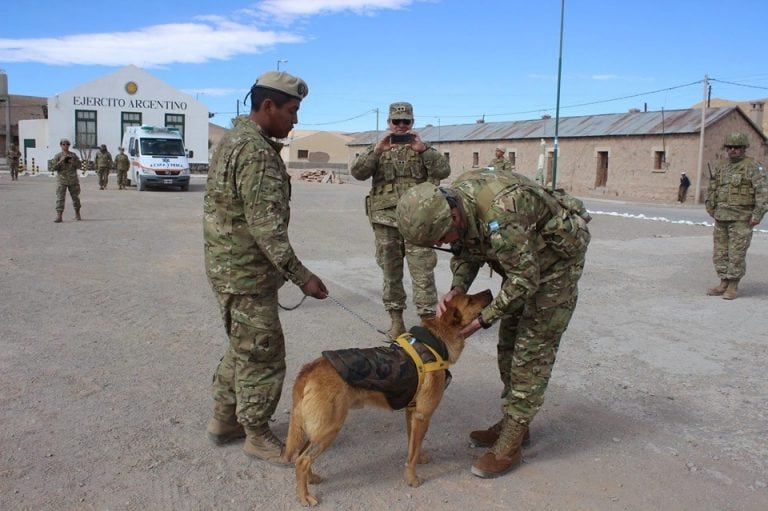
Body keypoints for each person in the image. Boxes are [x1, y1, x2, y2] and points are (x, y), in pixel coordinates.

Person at [396, 169, 591, 479]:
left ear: (454, 218)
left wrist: (483, 319)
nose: (445, 244)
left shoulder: (502, 213)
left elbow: (525, 280)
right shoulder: (456, 203)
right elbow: (467, 251)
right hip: (521, 266)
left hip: (554, 270)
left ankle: (510, 444)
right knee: (508, 345)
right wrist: (458, 287)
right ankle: (515, 424)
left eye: (443, 238)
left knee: (530, 353)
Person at [203, 70, 328, 464]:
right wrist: (303, 277)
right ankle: (256, 434)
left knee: (242, 346)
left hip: (229, 268)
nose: (295, 120)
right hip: (247, 273)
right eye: (292, 111)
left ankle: (224, 420)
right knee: (263, 354)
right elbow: (267, 231)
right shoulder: (257, 153)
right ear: (268, 106)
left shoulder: (234, 139)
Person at [350, 101, 451, 339]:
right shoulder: (377, 149)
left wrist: (423, 150)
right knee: (391, 272)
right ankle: (396, 321)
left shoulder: (424, 149)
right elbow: (357, 173)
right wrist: (376, 150)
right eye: (397, 121)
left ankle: (428, 322)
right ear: (389, 123)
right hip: (386, 221)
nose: (401, 126)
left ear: (412, 123)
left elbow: (444, 172)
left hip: (418, 223)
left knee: (423, 272)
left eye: (406, 121)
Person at [705, 132, 767, 300]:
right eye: (730, 147)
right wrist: (710, 205)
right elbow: (713, 187)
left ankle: (733, 285)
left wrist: (758, 214)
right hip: (721, 216)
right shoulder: (722, 165)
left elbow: (763, 192)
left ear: (743, 148)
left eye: (737, 147)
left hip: (742, 218)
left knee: (737, 253)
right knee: (720, 252)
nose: (733, 150)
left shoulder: (753, 166)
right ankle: (723, 282)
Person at [52, 139, 82, 223]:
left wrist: (74, 162)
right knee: (60, 198)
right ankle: (59, 216)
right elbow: (52, 168)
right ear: (61, 145)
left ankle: (77, 214)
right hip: (62, 180)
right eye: (64, 144)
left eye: (67, 144)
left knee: (75, 197)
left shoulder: (73, 155)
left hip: (73, 180)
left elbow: (80, 166)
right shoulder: (58, 156)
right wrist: (61, 161)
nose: (66, 145)